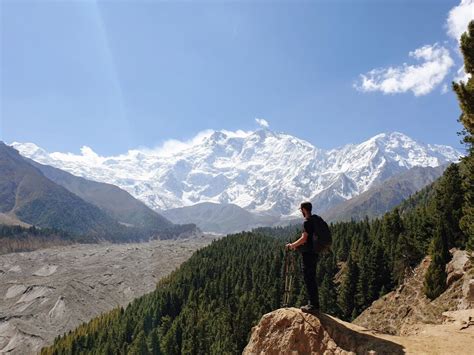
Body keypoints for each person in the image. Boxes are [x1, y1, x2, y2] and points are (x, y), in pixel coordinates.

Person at [285, 201, 319, 313]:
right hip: (315, 252)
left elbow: (304, 238)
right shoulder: (315, 221)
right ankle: (314, 304)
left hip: (308, 254)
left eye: (301, 210)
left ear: (304, 209)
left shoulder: (307, 222)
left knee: (309, 278)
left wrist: (292, 245)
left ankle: (313, 305)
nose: (301, 212)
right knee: (312, 278)